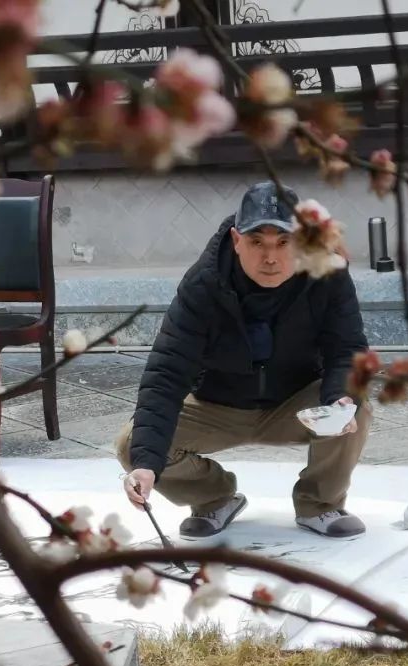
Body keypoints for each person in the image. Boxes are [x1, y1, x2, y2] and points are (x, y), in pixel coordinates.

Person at [115, 181, 372, 540]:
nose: (270, 257)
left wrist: (339, 399)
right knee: (134, 447)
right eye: (257, 243)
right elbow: (167, 371)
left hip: (294, 403)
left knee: (354, 406)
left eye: (284, 243)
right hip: (217, 404)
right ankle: (215, 498)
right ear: (237, 241)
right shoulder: (203, 284)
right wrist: (145, 465)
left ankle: (320, 504)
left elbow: (346, 348)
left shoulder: (328, 272)